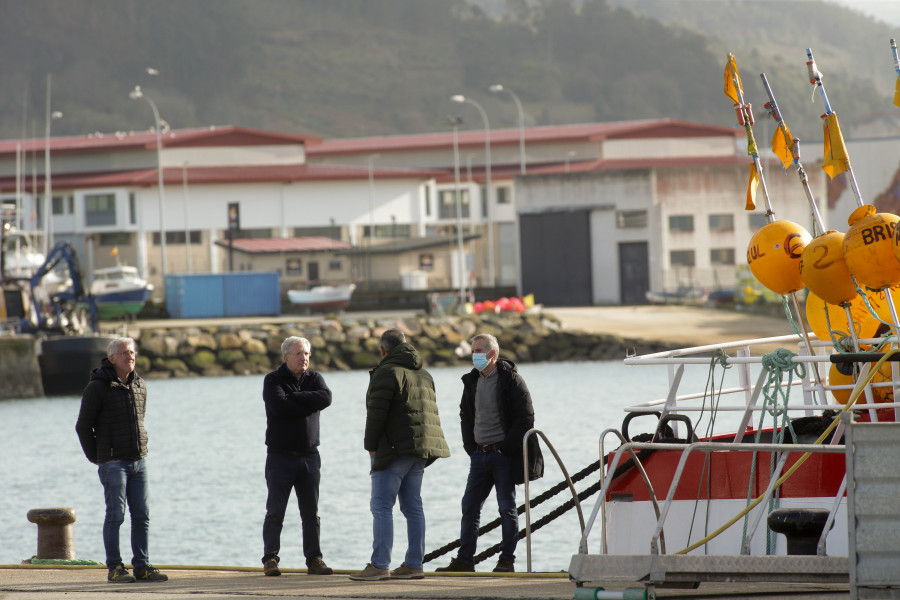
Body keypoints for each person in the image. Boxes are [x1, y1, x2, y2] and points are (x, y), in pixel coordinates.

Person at [436, 333, 543, 574]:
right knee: (469, 507)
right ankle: (465, 560)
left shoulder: (511, 380)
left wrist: (506, 447)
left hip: (503, 455)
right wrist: (470, 447)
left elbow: (526, 418)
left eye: (478, 351)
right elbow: (465, 415)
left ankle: (506, 561)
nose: (474, 355)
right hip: (479, 456)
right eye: (473, 350)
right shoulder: (472, 381)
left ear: (492, 354)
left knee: (506, 508)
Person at [349, 328, 450, 581]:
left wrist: (370, 446)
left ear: (383, 350)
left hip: (393, 449)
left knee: (381, 505)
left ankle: (380, 564)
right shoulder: (424, 374)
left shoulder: (386, 372)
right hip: (420, 450)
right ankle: (414, 564)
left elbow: (376, 414)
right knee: (413, 506)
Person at [75, 337, 168, 583]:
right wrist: (97, 457)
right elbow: (83, 426)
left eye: (133, 352)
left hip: (139, 460)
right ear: (112, 357)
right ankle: (115, 568)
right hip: (113, 462)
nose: (131, 356)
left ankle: (142, 566)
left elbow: (140, 419)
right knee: (116, 515)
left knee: (142, 515)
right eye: (125, 352)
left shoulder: (140, 385)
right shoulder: (97, 388)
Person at [261, 336, 334, 576]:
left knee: (310, 514)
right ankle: (270, 558)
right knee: (275, 512)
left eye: (307, 354)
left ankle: (314, 559)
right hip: (280, 457)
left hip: (310, 457)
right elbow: (279, 406)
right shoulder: (273, 380)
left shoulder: (315, 379)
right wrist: (307, 402)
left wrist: (294, 399)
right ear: (286, 357)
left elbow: (326, 398)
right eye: (299, 354)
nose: (304, 358)